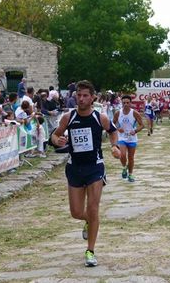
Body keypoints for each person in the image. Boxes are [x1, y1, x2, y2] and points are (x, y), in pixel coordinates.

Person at [50, 80, 121, 267]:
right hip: (74, 168)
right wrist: (57, 140)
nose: (81, 99)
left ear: (92, 98)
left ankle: (90, 251)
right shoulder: (68, 117)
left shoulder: (100, 117)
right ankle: (89, 221)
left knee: (93, 208)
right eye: (78, 95)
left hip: (95, 167)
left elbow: (113, 132)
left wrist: (114, 147)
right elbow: (54, 135)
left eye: (85, 96)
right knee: (76, 212)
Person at [113, 95, 144, 183]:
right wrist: (118, 128)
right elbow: (113, 124)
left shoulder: (134, 113)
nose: (126, 104)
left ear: (130, 103)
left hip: (132, 138)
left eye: (127, 102)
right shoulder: (118, 113)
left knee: (131, 158)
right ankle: (124, 167)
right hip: (122, 137)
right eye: (124, 103)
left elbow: (142, 125)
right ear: (121, 103)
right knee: (122, 155)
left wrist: (135, 131)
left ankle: (130, 174)